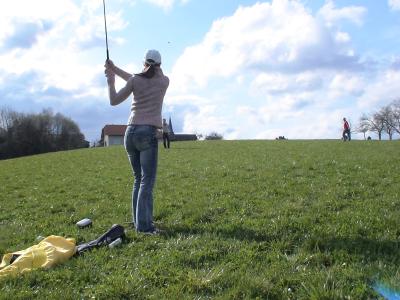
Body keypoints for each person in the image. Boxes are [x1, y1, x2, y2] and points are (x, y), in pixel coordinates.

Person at [104, 49, 169, 233]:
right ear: (160, 65)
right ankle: (145, 226)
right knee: (146, 182)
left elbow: (114, 100)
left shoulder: (135, 81)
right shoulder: (164, 81)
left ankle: (138, 221)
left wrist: (111, 79)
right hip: (147, 133)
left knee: (138, 179)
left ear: (144, 63)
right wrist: (115, 69)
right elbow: (142, 77)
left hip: (129, 133)